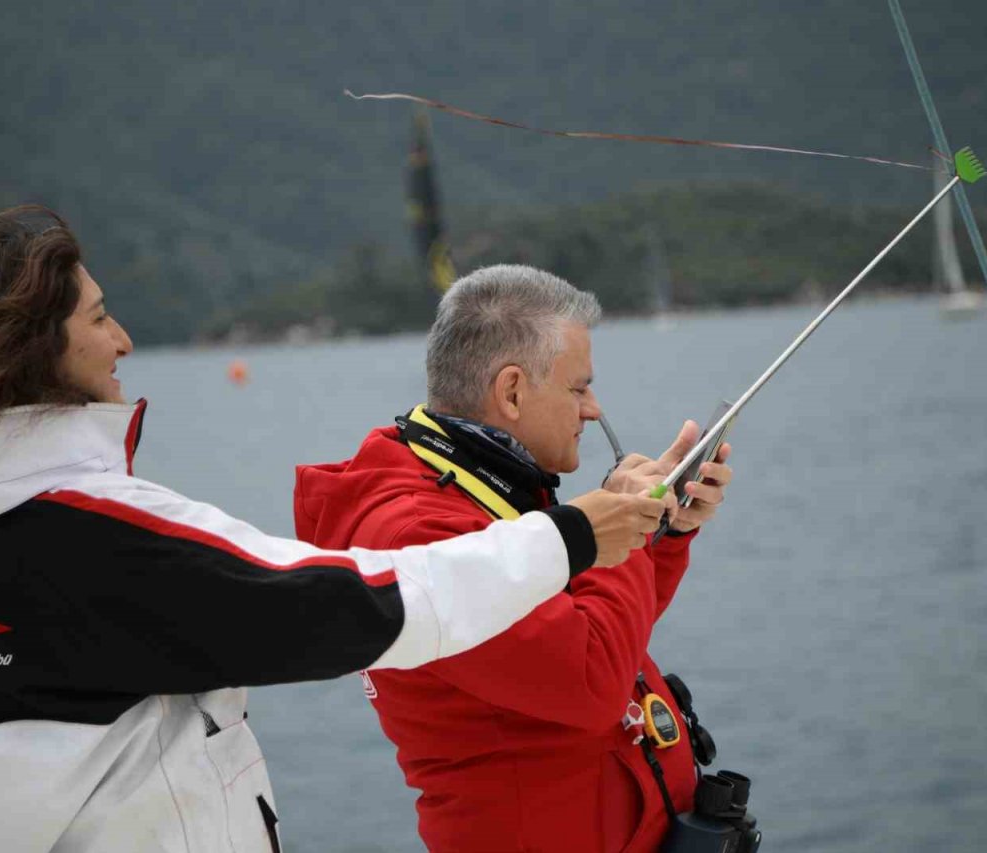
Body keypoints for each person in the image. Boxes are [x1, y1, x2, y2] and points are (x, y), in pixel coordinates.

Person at [0, 208, 671, 853]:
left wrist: (637, 537)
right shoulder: (101, 540)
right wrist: (574, 536)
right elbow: (365, 602)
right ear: (33, 348)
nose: (124, 339)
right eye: (100, 318)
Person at [293, 264, 735, 852]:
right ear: (511, 392)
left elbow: (602, 624)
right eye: (578, 387)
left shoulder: (483, 485)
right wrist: (619, 526)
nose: (595, 409)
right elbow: (590, 676)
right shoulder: (419, 533)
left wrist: (662, 532)